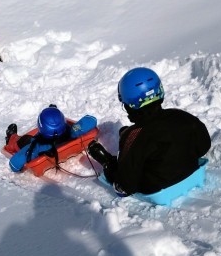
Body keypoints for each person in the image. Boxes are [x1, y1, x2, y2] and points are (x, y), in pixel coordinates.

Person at [88, 67, 211, 196]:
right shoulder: (180, 116)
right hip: (190, 171)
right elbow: (204, 146)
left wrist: (108, 163)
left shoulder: (134, 137)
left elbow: (124, 187)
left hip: (156, 187)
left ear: (129, 105)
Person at [5, 105, 97, 172]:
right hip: (61, 136)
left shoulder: (36, 147)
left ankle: (12, 138)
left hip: (30, 143)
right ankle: (53, 112)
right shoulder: (72, 132)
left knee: (21, 141)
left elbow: (14, 165)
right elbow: (92, 120)